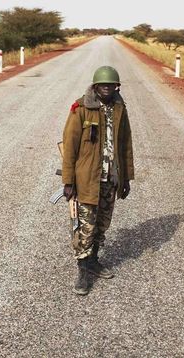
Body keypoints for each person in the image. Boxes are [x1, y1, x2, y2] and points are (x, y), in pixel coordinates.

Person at [61, 65, 135, 296]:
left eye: (111, 85)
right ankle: (83, 269)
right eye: (102, 85)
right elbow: (70, 145)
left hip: (110, 178)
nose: (106, 88)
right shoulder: (81, 108)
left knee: (102, 224)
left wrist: (126, 178)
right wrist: (68, 181)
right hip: (86, 179)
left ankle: (93, 260)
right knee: (85, 226)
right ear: (95, 86)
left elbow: (125, 144)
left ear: (116, 87)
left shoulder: (120, 108)